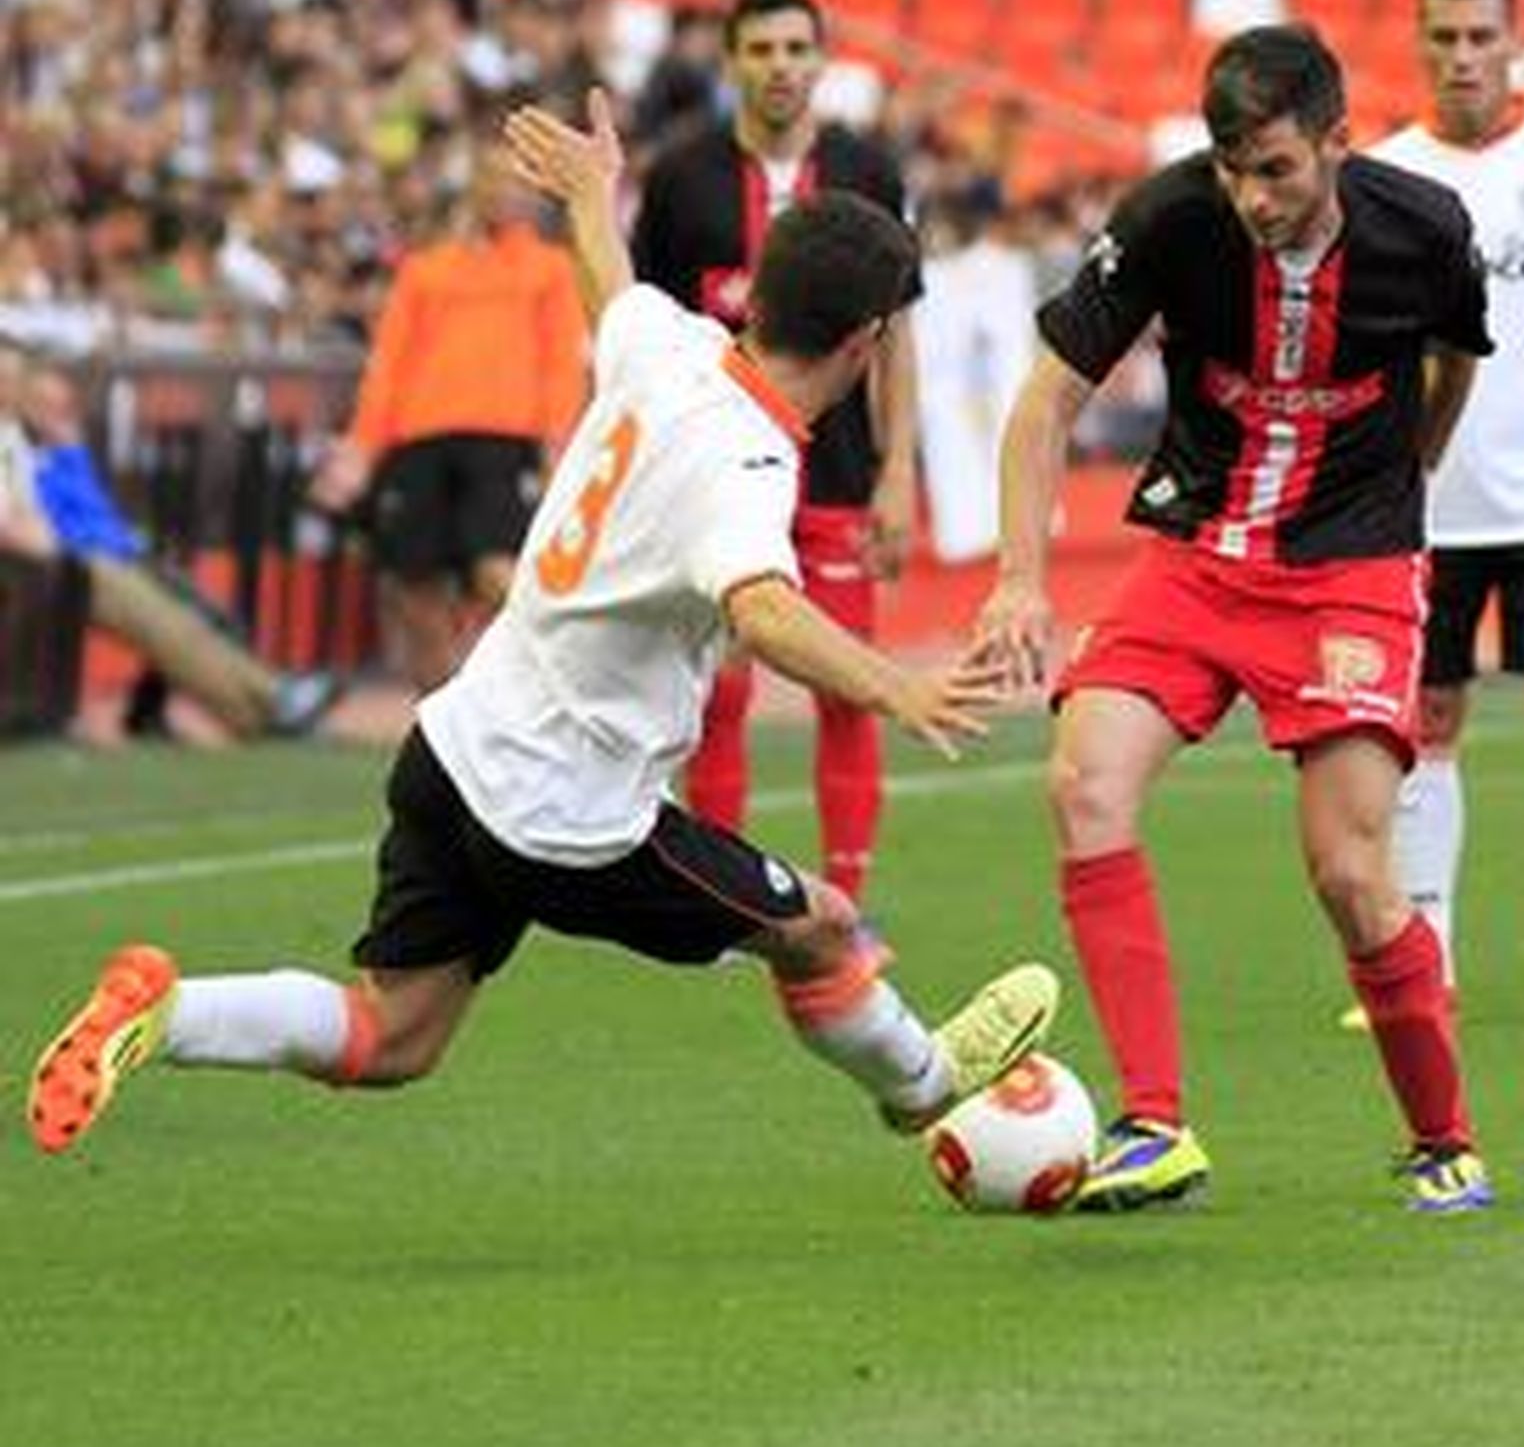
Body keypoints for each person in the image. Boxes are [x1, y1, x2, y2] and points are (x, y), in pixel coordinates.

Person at [29, 89, 1056, 1165]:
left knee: (393, 1034)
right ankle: (928, 1087)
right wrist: (900, 687)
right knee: (822, 927)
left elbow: (608, 283)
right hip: (567, 815)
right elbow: (760, 606)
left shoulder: (672, 344)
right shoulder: (746, 460)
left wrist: (590, 194)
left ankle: (164, 1010)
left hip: (457, 745)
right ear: (866, 344)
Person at [974, 23, 1496, 1215]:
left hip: (1351, 571)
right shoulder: (1168, 221)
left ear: (1335, 143)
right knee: (1083, 785)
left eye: (1274, 169)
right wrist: (1017, 576)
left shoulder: (1423, 231)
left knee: (1349, 871)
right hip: (1197, 557)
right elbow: (1047, 403)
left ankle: (1443, 1138)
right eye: (1230, 168)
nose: (1249, 196)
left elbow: (1455, 359)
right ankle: (1153, 1123)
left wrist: (1404, 480)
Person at [631, 0, 918, 899]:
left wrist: (900, 468)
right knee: (717, 694)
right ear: (731, 62)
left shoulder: (870, 171)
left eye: (797, 49)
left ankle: (848, 900)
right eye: (761, 50)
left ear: (822, 60)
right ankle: (721, 901)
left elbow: (900, 329)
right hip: (715, 473)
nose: (781, 67)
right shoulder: (681, 178)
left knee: (847, 689)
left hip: (836, 474)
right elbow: (644, 327)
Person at [1368, 0, 1524, 1033]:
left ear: (1517, 42)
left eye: (1480, 37)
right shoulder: (1381, 178)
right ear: (1417, 41)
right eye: (1443, 37)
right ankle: (1428, 965)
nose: (1462, 58)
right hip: (1425, 504)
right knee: (1427, 717)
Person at [312, 138, 588, 691]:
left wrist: (558, 442)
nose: (502, 192)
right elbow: (390, 362)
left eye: (515, 181)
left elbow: (563, 361)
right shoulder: (426, 270)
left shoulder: (550, 269)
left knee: (499, 572)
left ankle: (548, 688)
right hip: (420, 437)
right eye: (492, 178)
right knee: (415, 587)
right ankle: (439, 725)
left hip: (505, 439)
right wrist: (362, 450)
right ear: (473, 187)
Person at [3, 343, 335, 742]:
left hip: (92, 555)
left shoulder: (30, 444)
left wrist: (68, 449)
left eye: (15, 379)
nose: (12, 388)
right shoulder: (18, 445)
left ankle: (267, 701)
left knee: (197, 614)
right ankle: (270, 702)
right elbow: (31, 523)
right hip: (65, 561)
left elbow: (90, 511)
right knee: (167, 622)